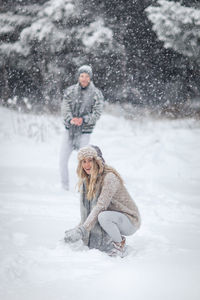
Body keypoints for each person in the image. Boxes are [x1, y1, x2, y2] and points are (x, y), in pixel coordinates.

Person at [64, 145, 141, 257]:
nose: (86, 165)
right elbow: (89, 213)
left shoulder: (109, 178)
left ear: (97, 161)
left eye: (90, 160)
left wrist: (83, 230)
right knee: (102, 216)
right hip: (114, 217)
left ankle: (120, 245)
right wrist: (77, 230)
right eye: (83, 161)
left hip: (129, 220)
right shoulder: (90, 181)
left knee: (103, 217)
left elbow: (100, 206)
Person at [60, 65, 104, 190]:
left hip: (85, 132)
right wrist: (71, 119)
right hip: (70, 130)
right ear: (78, 77)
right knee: (62, 159)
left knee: (85, 162)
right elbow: (64, 107)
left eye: (86, 76)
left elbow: (97, 113)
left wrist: (83, 120)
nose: (84, 79)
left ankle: (83, 187)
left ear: (90, 78)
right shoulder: (70, 91)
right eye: (82, 76)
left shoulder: (96, 94)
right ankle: (64, 187)